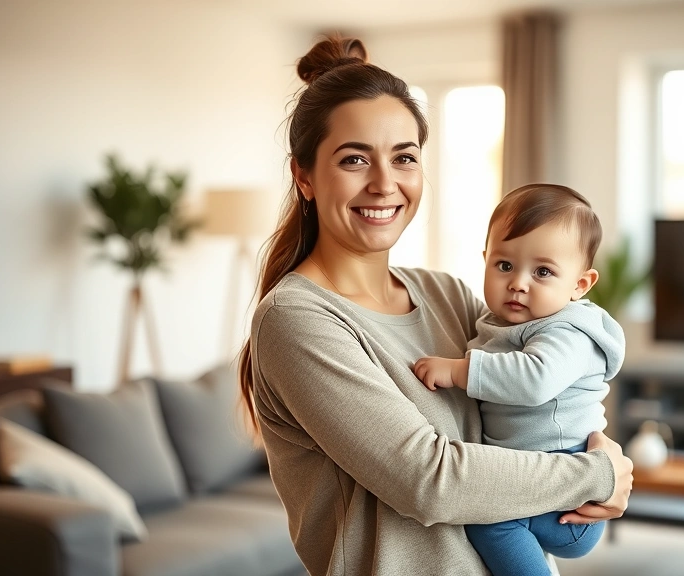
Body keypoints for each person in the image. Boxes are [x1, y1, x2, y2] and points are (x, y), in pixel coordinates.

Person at [237, 36, 634, 576]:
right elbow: (429, 481)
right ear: (303, 176)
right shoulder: (298, 320)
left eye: (404, 158)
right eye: (354, 159)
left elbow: (542, 387)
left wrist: (600, 447)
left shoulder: (446, 293)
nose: (384, 184)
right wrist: (600, 475)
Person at [413, 184, 626, 576]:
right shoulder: (498, 323)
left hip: (569, 496)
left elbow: (535, 381)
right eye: (504, 265)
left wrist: (459, 370)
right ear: (485, 261)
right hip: (539, 480)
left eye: (543, 271)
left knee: (489, 517)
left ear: (580, 285)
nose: (518, 282)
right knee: (492, 512)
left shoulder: (569, 331)